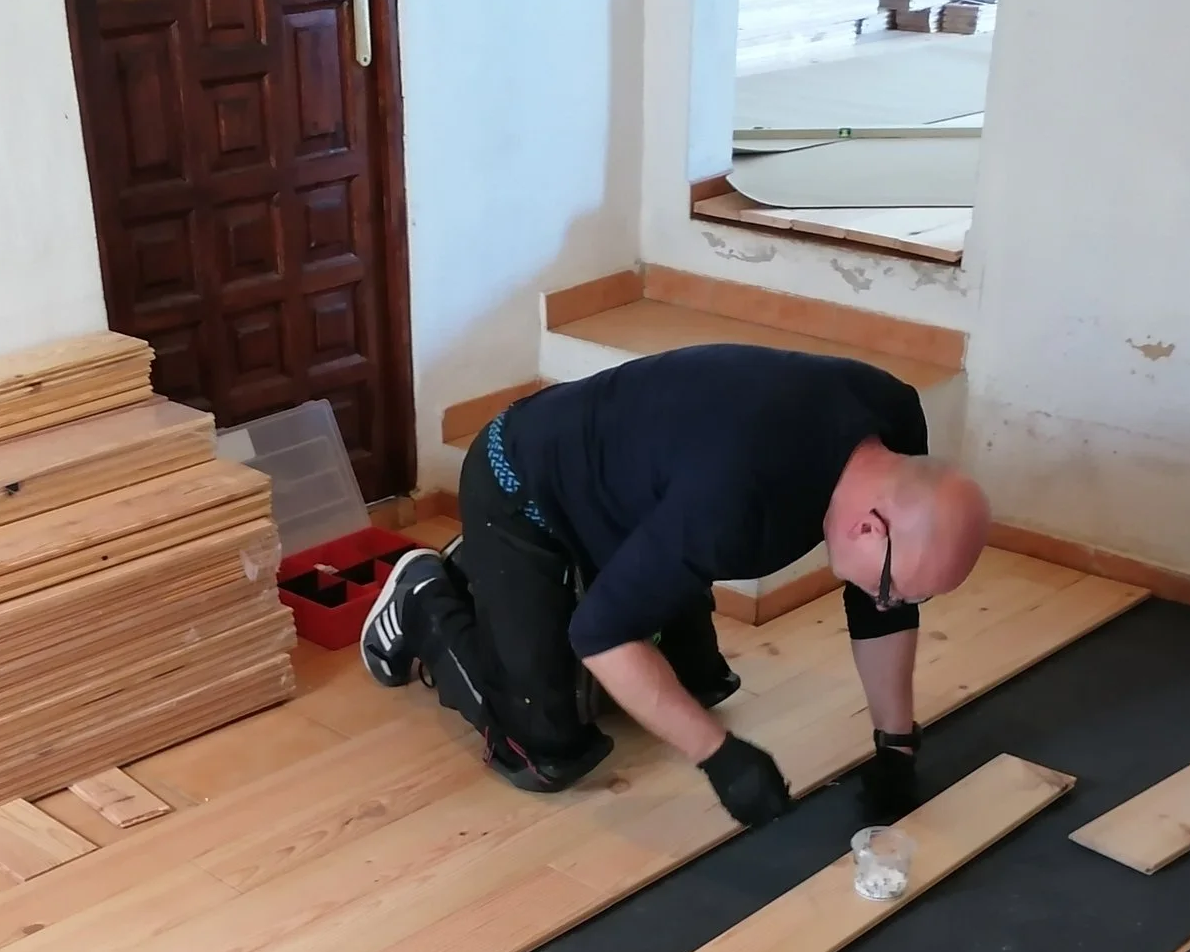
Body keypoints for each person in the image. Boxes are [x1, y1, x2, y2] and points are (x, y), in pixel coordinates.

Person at [359, 343, 991, 829]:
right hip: (523, 487)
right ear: (866, 526)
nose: (895, 606)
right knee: (546, 748)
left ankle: (522, 586)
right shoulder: (732, 498)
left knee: (697, 685)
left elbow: (876, 603)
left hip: (640, 500)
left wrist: (897, 745)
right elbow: (600, 633)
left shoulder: (894, 426)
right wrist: (718, 757)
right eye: (896, 591)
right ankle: (427, 598)